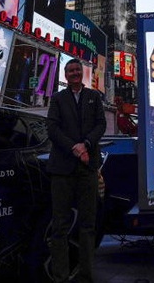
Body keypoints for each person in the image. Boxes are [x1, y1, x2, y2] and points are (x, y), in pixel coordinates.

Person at [46, 59, 106, 283]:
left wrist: (86, 144)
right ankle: (60, 276)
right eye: (70, 71)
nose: (74, 73)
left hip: (87, 168)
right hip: (62, 170)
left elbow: (100, 125)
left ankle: (86, 275)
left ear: (82, 73)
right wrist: (74, 147)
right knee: (59, 225)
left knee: (88, 224)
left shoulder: (94, 97)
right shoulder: (58, 99)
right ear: (65, 74)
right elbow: (52, 128)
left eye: (77, 70)